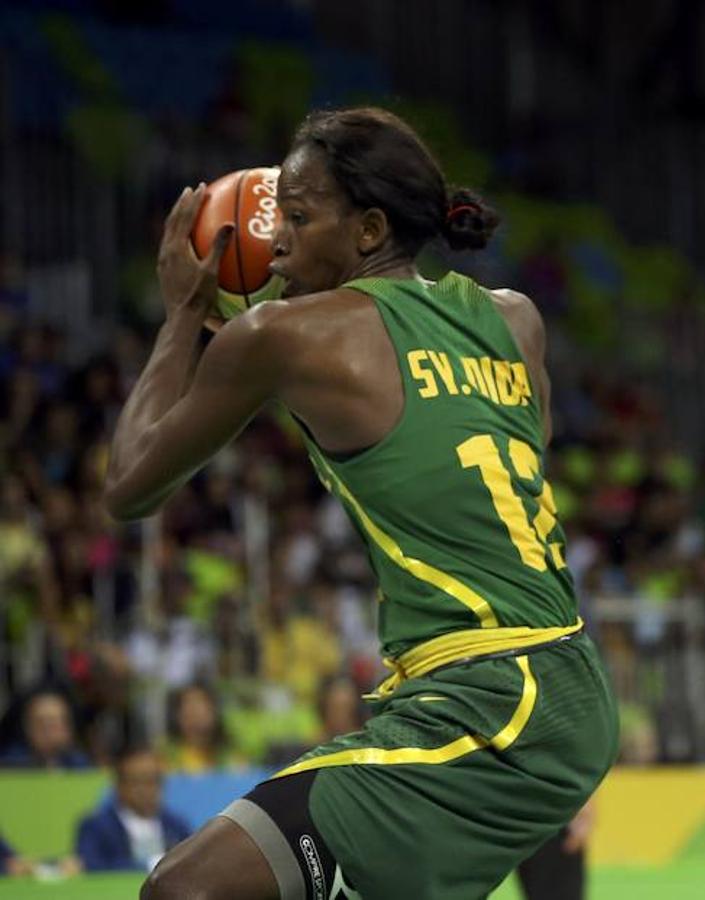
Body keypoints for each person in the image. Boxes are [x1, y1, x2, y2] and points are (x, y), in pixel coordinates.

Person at [105, 106, 618, 900]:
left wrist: (181, 318)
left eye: (299, 218)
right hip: (558, 684)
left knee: (185, 889)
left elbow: (131, 484)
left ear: (370, 230)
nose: (276, 241)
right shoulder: (515, 319)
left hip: (492, 700)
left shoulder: (282, 334)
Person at [74, 744, 192, 872]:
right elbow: (92, 867)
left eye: (153, 781)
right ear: (119, 786)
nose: (147, 790)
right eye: (138, 782)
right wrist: (149, 865)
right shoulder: (95, 827)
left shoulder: (176, 826)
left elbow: (193, 863)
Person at [0, 688, 91, 769]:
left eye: (55, 724)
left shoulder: (80, 764)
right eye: (42, 725)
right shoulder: (10, 765)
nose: (49, 732)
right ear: (27, 728)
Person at [164, 682, 244, 773]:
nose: (196, 711)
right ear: (178, 715)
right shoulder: (165, 756)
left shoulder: (231, 756)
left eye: (202, 705)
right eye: (189, 706)